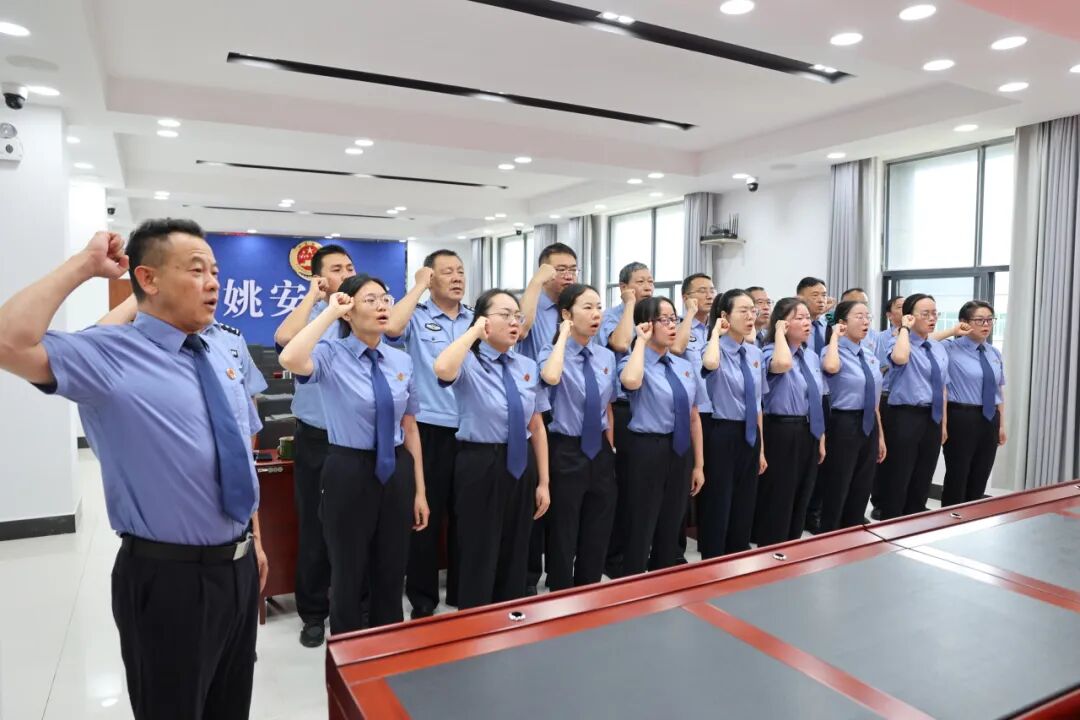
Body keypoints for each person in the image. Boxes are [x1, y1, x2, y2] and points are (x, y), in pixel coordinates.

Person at [0, 221, 267, 719]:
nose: (213, 282)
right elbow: (8, 342)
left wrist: (255, 540)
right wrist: (84, 266)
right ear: (148, 278)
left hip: (239, 567)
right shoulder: (108, 354)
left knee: (230, 706)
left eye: (215, 271)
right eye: (196, 270)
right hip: (169, 579)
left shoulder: (220, 351)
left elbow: (238, 455)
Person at [279, 275, 429, 633]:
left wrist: (420, 491)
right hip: (348, 468)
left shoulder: (400, 361)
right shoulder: (331, 354)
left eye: (385, 299)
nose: (382, 306)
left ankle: (387, 644)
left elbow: (409, 427)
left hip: (396, 468)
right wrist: (330, 312)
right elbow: (290, 357)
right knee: (348, 569)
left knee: (391, 568)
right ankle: (348, 649)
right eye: (370, 300)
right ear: (348, 311)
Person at [433, 289, 551, 609]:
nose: (514, 322)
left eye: (517, 316)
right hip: (480, 461)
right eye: (505, 315)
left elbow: (537, 426)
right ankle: (475, 620)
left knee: (517, 546)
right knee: (479, 548)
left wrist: (543, 482)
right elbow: (442, 369)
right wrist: (473, 332)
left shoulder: (526, 365)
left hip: (521, 461)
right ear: (483, 320)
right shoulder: (468, 361)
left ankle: (508, 617)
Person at [272, 244, 355, 647]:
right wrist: (315, 298)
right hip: (318, 439)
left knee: (356, 528)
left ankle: (353, 608)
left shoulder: (365, 316)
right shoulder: (314, 320)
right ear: (322, 279)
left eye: (350, 266)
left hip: (357, 442)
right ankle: (313, 613)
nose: (347, 273)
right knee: (315, 528)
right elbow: (284, 340)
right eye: (337, 269)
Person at [385, 250, 472, 618]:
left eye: (460, 271)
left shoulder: (475, 319)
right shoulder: (417, 317)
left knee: (466, 515)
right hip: (429, 429)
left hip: (470, 429)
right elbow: (391, 329)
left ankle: (463, 592)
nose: (457, 277)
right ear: (431, 278)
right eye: (447, 272)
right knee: (426, 515)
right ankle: (423, 598)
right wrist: (418, 286)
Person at [617, 297, 707, 576]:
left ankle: (663, 579)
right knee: (641, 522)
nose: (672, 326)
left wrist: (698, 464)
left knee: (672, 521)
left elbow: (694, 416)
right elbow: (630, 382)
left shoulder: (683, 366)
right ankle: (633, 580)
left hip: (680, 450)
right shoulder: (633, 361)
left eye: (674, 319)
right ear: (646, 324)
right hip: (647, 450)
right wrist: (640, 342)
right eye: (664, 320)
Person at [536, 284, 618, 590]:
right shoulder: (550, 353)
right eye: (587, 307)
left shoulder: (606, 356)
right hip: (566, 449)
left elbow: (607, 405)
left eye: (599, 307)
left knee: (598, 526)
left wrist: (611, 446)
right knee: (563, 529)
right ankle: (560, 591)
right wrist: (563, 336)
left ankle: (589, 590)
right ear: (567, 314)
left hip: (600, 449)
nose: (596, 314)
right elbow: (550, 377)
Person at [516, 245, 571, 593]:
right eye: (560, 269)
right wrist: (535, 283)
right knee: (536, 497)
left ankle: (560, 573)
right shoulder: (533, 304)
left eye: (573, 269)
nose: (568, 275)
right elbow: (521, 328)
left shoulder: (574, 308)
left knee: (560, 499)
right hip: (537, 408)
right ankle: (528, 577)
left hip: (568, 412)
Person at [97, 293, 269, 403]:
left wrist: (247, 448)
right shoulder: (143, 338)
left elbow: (249, 397)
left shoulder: (231, 338)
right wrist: (139, 296)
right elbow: (95, 347)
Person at [754, 297, 827, 547]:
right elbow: (782, 364)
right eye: (800, 318)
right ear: (783, 323)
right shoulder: (768, 353)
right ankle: (772, 548)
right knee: (780, 496)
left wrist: (820, 437)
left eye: (808, 318)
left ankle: (793, 547)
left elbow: (816, 398)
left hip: (808, 430)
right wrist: (778, 335)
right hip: (781, 430)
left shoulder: (811, 357)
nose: (807, 323)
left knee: (802, 494)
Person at [699, 289, 767, 557]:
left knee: (745, 502)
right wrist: (716, 333)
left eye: (753, 310)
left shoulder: (754, 353)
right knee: (719, 501)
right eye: (743, 310)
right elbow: (709, 363)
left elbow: (757, 402)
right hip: (722, 431)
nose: (751, 316)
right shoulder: (713, 349)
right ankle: (713, 559)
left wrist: (761, 449)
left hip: (750, 433)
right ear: (725, 316)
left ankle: (738, 556)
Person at [598, 261, 654, 578]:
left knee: (641, 487)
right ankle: (614, 556)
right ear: (623, 287)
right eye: (640, 281)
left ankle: (638, 553)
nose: (647, 286)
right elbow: (620, 343)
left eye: (650, 281)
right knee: (620, 485)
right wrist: (630, 305)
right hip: (620, 407)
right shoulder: (611, 316)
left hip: (649, 408)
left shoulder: (657, 316)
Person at [877, 293, 950, 520]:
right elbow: (899, 358)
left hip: (932, 417)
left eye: (935, 313)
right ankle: (891, 521)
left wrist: (943, 423)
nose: (932, 318)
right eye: (925, 314)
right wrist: (904, 329)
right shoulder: (899, 342)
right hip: (905, 416)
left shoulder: (937, 347)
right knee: (900, 474)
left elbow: (942, 386)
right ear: (909, 317)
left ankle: (915, 519)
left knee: (923, 474)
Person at [817, 301, 887, 532]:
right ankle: (830, 534)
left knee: (862, 484)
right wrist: (835, 337)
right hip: (843, 423)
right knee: (838, 483)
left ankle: (853, 531)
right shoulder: (832, 351)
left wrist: (880, 436)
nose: (865, 321)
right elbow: (831, 367)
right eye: (859, 316)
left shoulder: (869, 354)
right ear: (842, 323)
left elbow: (874, 399)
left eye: (868, 316)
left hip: (869, 422)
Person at [940, 301, 1006, 506]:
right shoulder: (949, 348)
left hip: (990, 418)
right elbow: (922, 341)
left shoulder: (993, 352)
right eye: (979, 320)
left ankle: (974, 519)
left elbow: (998, 390)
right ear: (964, 322)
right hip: (961, 417)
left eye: (990, 320)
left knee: (980, 474)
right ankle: (950, 519)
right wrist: (953, 331)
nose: (986, 325)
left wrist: (1001, 425)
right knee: (958, 474)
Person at [672, 273, 715, 560]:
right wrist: (688, 314)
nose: (709, 295)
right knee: (683, 486)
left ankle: (708, 542)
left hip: (716, 413)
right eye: (702, 290)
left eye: (712, 290)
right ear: (686, 296)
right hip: (690, 413)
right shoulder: (678, 327)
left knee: (710, 481)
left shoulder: (717, 328)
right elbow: (677, 349)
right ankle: (675, 548)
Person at [796, 277, 833, 533]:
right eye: (815, 295)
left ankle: (815, 513)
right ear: (800, 297)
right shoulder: (796, 329)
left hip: (825, 397)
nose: (821, 299)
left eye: (824, 294)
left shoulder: (829, 327)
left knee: (822, 459)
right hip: (801, 399)